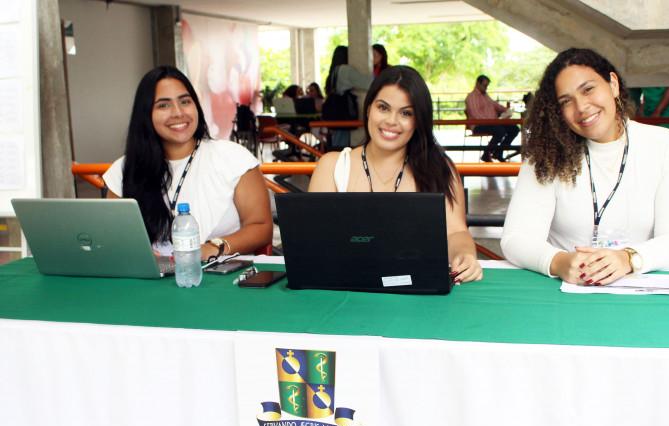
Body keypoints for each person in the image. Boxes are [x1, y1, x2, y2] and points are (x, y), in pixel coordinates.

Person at [500, 48, 669, 285]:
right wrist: (560, 262)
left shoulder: (668, 145)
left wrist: (628, 259)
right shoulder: (546, 154)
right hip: (563, 293)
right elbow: (516, 238)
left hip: (639, 291)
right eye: (566, 101)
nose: (581, 107)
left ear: (613, 84)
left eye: (588, 89)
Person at [309, 66, 483, 284]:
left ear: (419, 120)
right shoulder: (332, 166)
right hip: (344, 292)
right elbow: (314, 242)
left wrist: (464, 256)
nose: (392, 121)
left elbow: (456, 232)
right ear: (369, 108)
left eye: (406, 113)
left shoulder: (440, 169)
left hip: (415, 296)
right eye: (383, 108)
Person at [103, 66, 273, 261]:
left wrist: (213, 248)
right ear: (145, 114)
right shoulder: (123, 169)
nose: (177, 113)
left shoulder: (234, 158)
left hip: (219, 276)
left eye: (185, 101)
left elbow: (261, 227)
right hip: (149, 282)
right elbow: (113, 236)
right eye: (163, 105)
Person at [323, 46, 373, 149]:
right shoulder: (345, 70)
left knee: (337, 144)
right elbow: (367, 83)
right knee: (343, 146)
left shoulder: (334, 71)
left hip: (335, 113)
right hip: (344, 112)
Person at [465, 74, 520, 162]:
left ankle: (498, 152)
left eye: (487, 86)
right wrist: (493, 121)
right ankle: (486, 154)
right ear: (477, 84)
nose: (486, 88)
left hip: (493, 123)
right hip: (479, 125)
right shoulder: (471, 97)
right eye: (485, 86)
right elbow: (476, 115)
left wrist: (506, 110)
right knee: (500, 130)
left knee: (514, 128)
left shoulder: (485, 96)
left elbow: (495, 105)